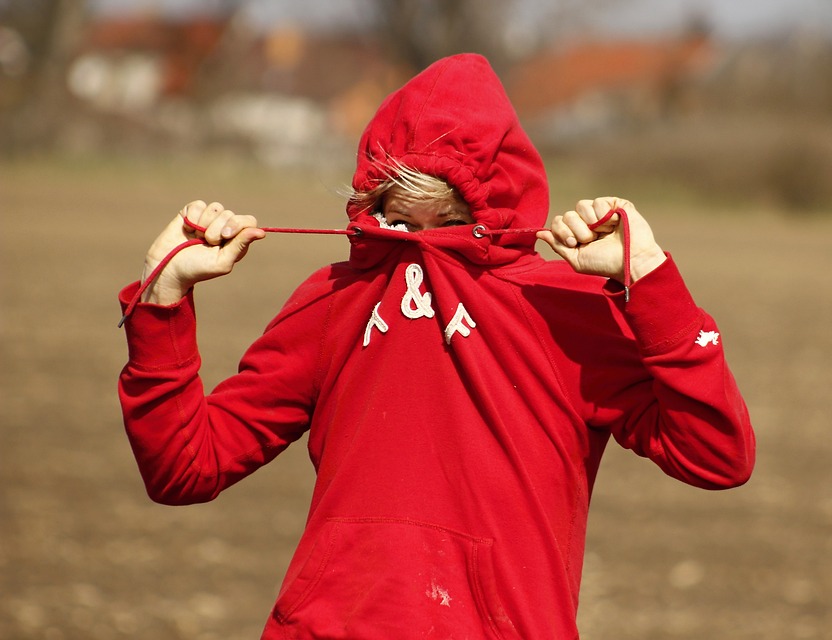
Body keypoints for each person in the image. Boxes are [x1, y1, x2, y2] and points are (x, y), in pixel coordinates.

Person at [118, 53, 754, 639]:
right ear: (369, 202)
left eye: (450, 222)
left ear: (498, 201)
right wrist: (162, 300)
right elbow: (184, 468)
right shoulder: (334, 298)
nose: (422, 243)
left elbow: (717, 456)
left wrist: (650, 281)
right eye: (397, 219)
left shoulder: (565, 304)